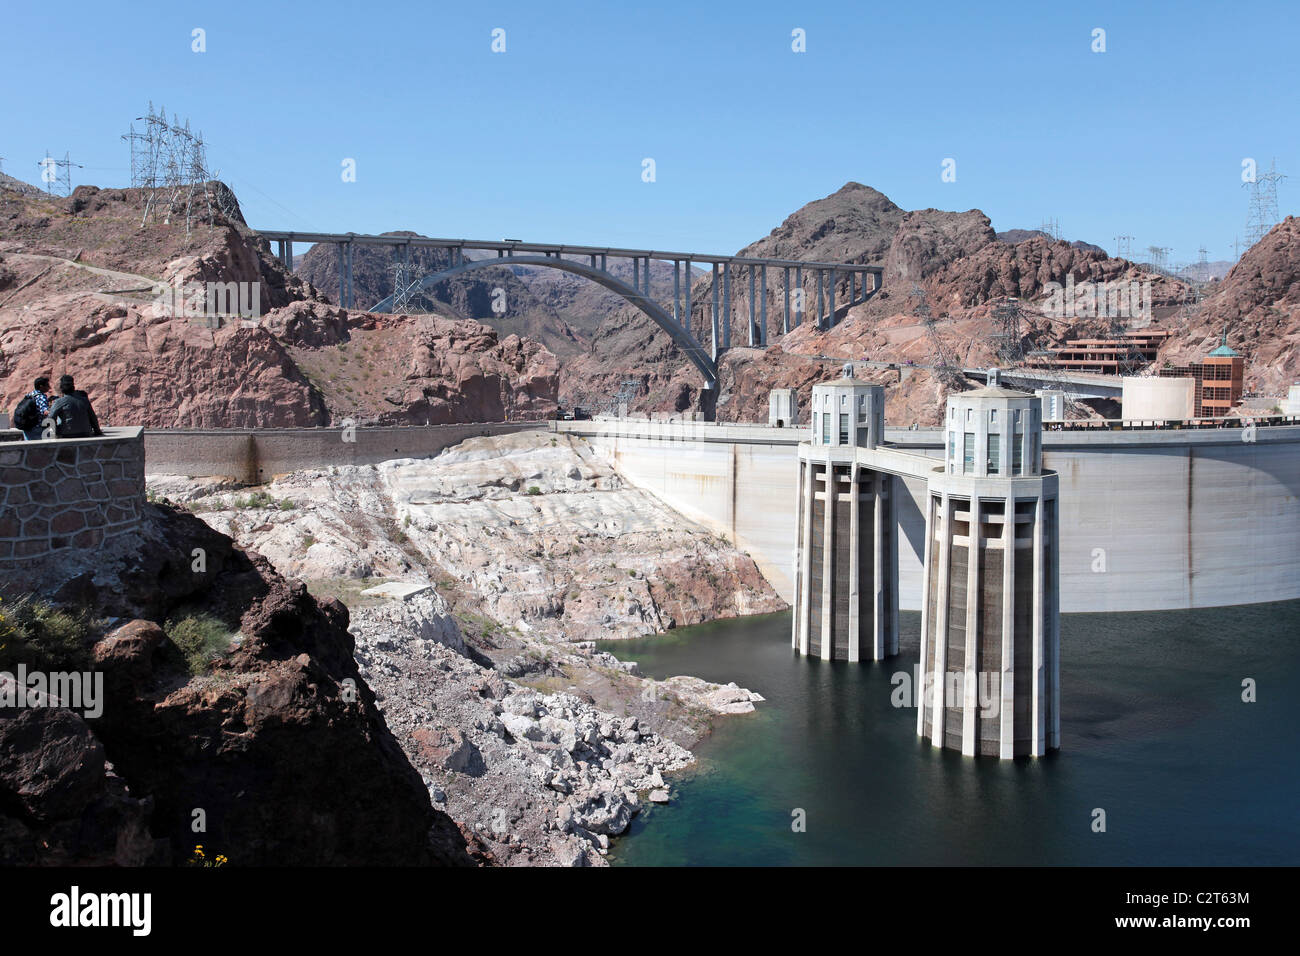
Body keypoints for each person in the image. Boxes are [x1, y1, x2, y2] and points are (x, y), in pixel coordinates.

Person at [48, 375, 103, 439]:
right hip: (86, 432)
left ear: (61, 388)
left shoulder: (59, 402)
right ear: (73, 387)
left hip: (68, 434)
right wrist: (97, 431)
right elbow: (92, 417)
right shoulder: (84, 400)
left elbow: (51, 418)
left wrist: (53, 433)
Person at [12, 376, 53, 441]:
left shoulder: (31, 395)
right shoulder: (42, 397)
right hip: (37, 428)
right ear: (41, 386)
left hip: (27, 427)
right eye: (47, 385)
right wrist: (53, 409)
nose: (49, 387)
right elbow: (44, 412)